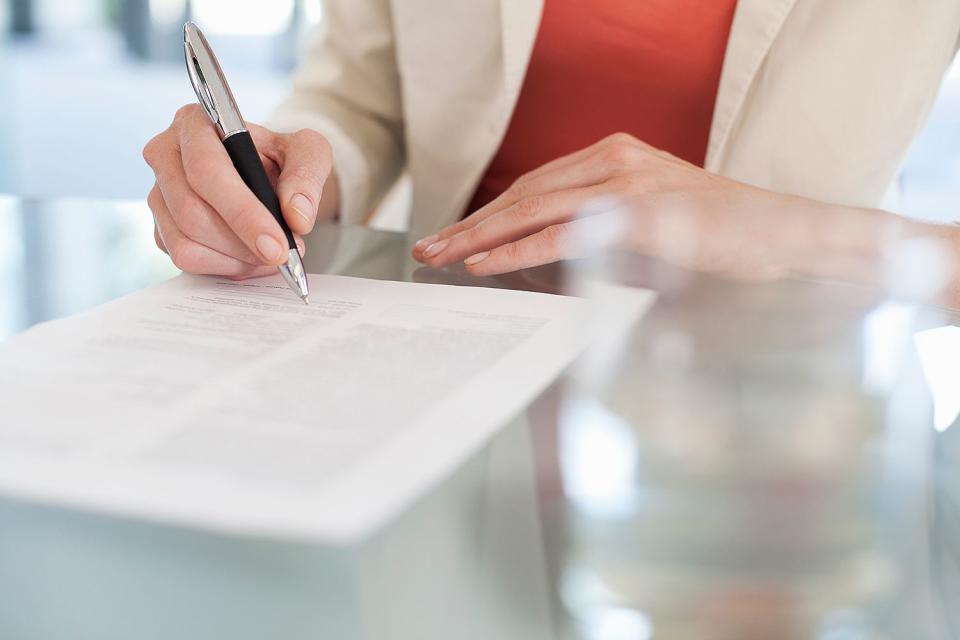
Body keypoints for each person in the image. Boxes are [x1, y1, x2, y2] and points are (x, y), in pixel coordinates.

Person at [143, 1, 960, 302]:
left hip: (770, 390)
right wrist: (293, 173)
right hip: (449, 341)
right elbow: (361, 95)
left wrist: (790, 231)